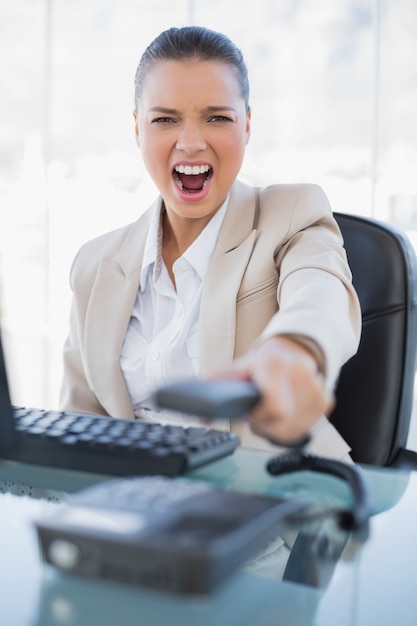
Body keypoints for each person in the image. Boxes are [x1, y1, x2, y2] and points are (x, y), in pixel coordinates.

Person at [59, 25, 361, 460]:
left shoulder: (291, 214)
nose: (191, 142)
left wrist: (291, 351)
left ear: (247, 126)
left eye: (217, 118)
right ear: (137, 128)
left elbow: (321, 293)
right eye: (165, 119)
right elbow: (76, 426)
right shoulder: (95, 265)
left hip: (271, 504)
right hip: (134, 509)